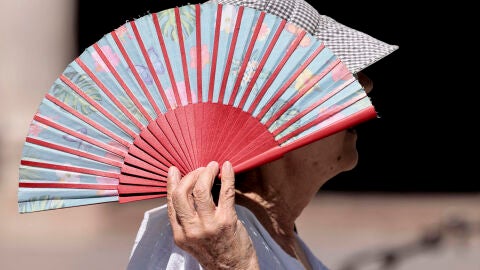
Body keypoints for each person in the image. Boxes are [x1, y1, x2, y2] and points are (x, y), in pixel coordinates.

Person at [127, 0, 398, 269]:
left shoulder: (278, 238)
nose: (366, 84)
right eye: (335, 77)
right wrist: (232, 265)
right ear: (271, 115)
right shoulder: (195, 243)